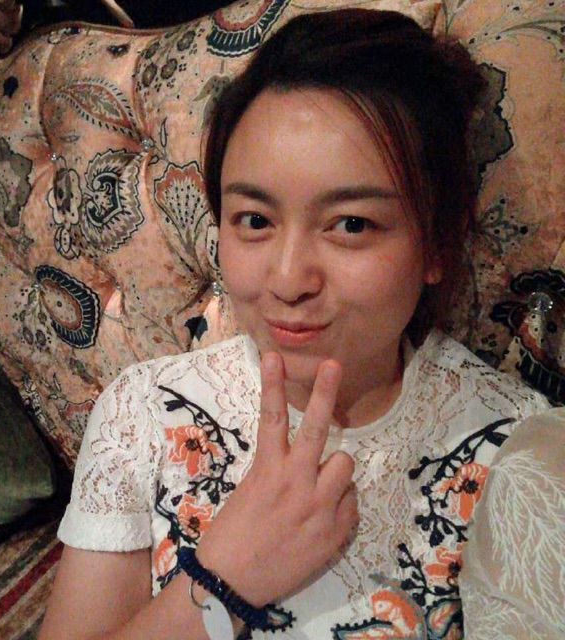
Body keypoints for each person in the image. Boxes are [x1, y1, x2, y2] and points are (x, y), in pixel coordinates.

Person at [39, 8, 564, 639]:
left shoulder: (519, 453)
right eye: (255, 220)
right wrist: (224, 577)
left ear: (437, 245)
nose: (288, 281)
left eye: (351, 224)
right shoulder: (141, 413)